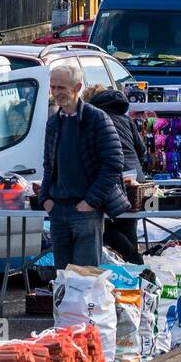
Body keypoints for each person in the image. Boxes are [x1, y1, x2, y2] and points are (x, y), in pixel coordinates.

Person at [41, 61, 128, 268]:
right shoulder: (53, 122)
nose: (56, 93)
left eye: (61, 87)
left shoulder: (97, 118)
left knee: (86, 279)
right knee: (62, 278)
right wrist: (45, 198)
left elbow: (114, 163)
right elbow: (48, 165)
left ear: (78, 87)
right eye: (53, 87)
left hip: (86, 211)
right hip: (58, 210)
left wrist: (90, 201)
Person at [88, 83, 148, 265]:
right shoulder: (126, 119)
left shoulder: (94, 120)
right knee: (128, 223)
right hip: (136, 180)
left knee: (102, 226)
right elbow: (142, 150)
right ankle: (138, 272)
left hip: (114, 179)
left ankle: (136, 262)